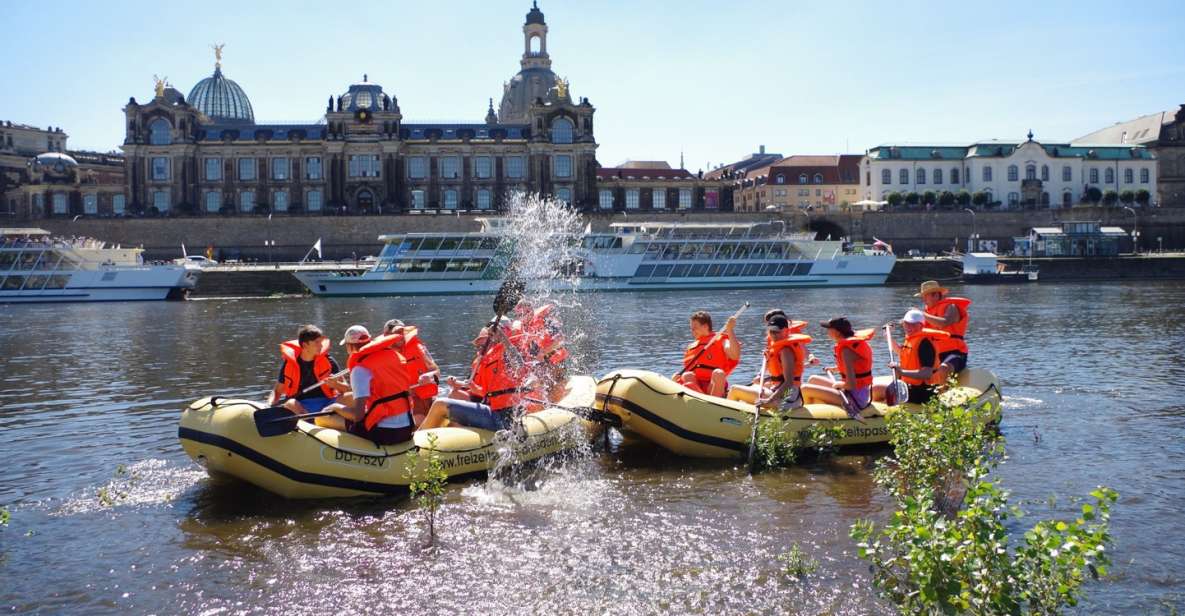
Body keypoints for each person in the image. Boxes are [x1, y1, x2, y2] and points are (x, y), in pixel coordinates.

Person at [419, 323, 536, 432]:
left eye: (483, 344)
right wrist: (464, 385)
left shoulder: (505, 355)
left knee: (440, 404)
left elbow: (519, 366)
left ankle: (417, 443)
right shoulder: (485, 362)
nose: (480, 348)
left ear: (494, 342)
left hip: (505, 417)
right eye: (478, 346)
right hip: (492, 411)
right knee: (452, 404)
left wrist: (503, 338)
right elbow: (484, 393)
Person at [317, 325, 416, 445]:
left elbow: (358, 416)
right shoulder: (394, 356)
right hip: (408, 427)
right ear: (370, 341)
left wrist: (335, 408)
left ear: (349, 346)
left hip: (385, 433)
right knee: (350, 402)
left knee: (323, 417)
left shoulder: (360, 369)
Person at [728, 315, 815, 407]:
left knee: (734, 389)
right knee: (753, 387)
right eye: (771, 331)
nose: (773, 335)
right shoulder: (777, 349)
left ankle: (724, 415)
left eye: (777, 332)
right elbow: (779, 377)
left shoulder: (786, 351)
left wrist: (769, 400)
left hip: (788, 398)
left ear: (786, 330)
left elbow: (789, 382)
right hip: (780, 391)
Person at [267, 325, 347, 415]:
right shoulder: (290, 364)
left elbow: (346, 389)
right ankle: (310, 421)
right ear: (305, 345)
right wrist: (269, 405)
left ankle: (325, 418)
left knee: (350, 397)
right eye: (317, 342)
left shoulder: (329, 361)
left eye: (321, 342)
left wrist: (336, 384)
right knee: (290, 403)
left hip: (328, 403)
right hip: (302, 406)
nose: (321, 345)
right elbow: (277, 391)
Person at [801, 317, 874, 414]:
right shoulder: (849, 347)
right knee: (813, 379)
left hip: (855, 399)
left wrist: (838, 384)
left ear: (837, 332)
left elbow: (851, 384)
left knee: (805, 388)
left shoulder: (846, 351)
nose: (827, 331)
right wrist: (835, 369)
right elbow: (855, 367)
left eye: (829, 328)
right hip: (852, 392)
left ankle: (805, 416)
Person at [883, 309, 951, 405]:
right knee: (878, 390)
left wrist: (902, 372)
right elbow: (901, 352)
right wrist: (888, 336)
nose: (908, 326)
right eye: (906, 323)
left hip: (922, 392)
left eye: (913, 324)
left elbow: (926, 373)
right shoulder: (911, 338)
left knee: (879, 390)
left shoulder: (925, 343)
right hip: (910, 387)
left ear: (921, 325)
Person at [382, 318, 440, 425]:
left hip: (427, 398)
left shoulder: (418, 348)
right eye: (395, 333)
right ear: (386, 336)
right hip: (406, 404)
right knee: (420, 422)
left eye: (401, 332)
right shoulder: (381, 357)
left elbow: (436, 371)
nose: (400, 336)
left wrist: (429, 376)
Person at [510, 299, 570, 402]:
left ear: (532, 311)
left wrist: (543, 352)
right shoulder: (522, 328)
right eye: (521, 315)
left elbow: (560, 339)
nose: (525, 316)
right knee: (526, 382)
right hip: (539, 365)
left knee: (539, 381)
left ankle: (551, 400)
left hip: (555, 362)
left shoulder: (545, 320)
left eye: (528, 312)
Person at [673, 310, 740, 397]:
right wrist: (676, 378)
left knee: (718, 373)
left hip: (713, 386)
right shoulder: (691, 347)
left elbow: (735, 355)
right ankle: (701, 399)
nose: (692, 331)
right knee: (687, 375)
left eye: (695, 328)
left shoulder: (720, 339)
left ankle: (714, 403)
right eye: (691, 329)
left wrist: (730, 330)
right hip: (696, 387)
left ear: (705, 326)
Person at [916, 280, 972, 384]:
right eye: (922, 297)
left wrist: (922, 315)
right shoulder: (928, 312)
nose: (923, 299)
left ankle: (943, 397)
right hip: (935, 355)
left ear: (936, 295)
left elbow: (944, 323)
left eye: (925, 296)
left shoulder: (951, 307)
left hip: (955, 353)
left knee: (943, 369)